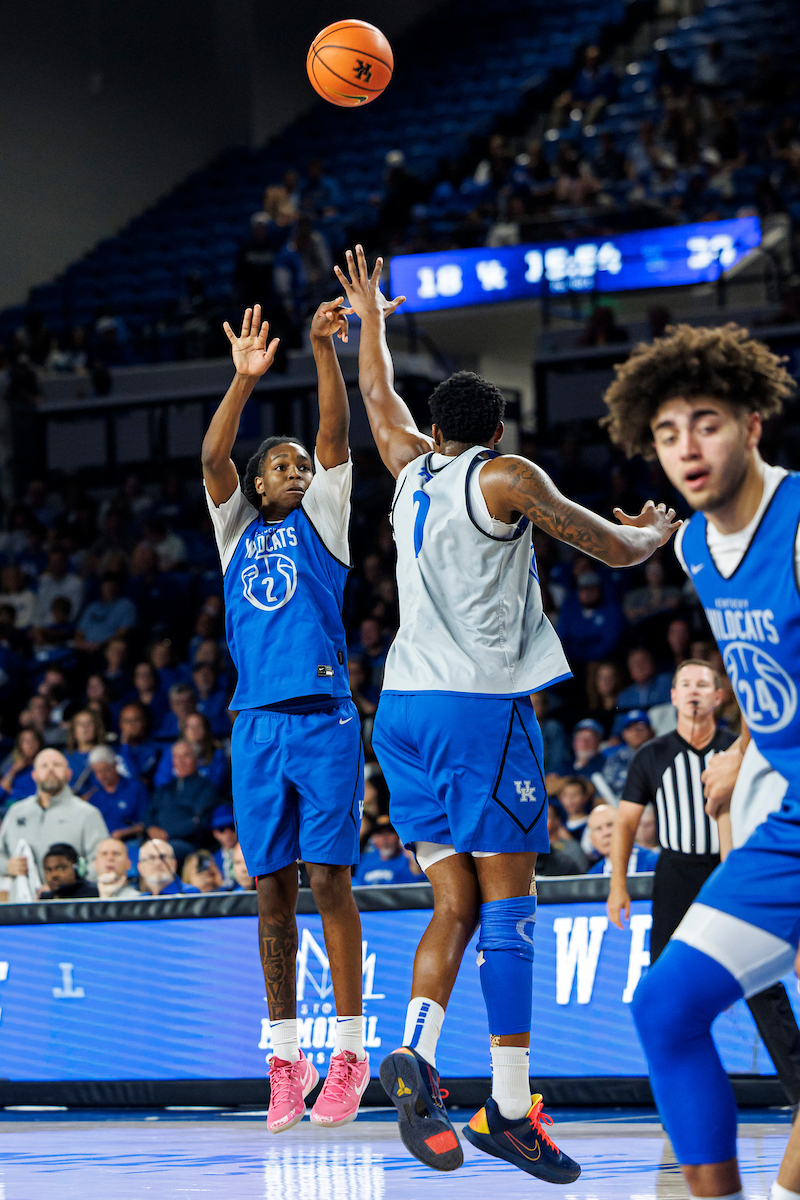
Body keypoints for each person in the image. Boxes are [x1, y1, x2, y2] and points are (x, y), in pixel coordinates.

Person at [335, 243, 678, 1179]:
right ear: (494, 429)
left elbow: (376, 399)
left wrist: (370, 323)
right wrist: (653, 532)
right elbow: (606, 547)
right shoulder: (505, 476)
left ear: (434, 429)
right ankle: (511, 1108)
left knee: (454, 901)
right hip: (478, 712)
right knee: (512, 909)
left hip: (399, 713)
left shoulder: (407, 468)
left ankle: (414, 1050)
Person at [603, 321, 800, 1197]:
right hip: (793, 820)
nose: (686, 447)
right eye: (667, 432)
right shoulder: (692, 547)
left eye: (707, 423)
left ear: (753, 425)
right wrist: (749, 744)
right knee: (665, 1009)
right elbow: (772, 666)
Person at [201, 297, 370, 1134]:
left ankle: (349, 1053)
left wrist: (321, 350)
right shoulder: (234, 529)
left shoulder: (325, 521)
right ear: (257, 483)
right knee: (272, 893)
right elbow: (212, 455)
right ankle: (284, 1059)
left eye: (303, 465)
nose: (297, 471)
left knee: (329, 883)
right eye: (282, 465)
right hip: (257, 726)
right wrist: (243, 380)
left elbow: (335, 432)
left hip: (325, 719)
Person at [0, 748, 108, 881]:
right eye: (44, 766)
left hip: (69, 894)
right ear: (34, 775)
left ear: (69, 774)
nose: (50, 769)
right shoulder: (16, 811)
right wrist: (7, 866)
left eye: (56, 765)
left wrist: (71, 882)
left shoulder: (88, 814)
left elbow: (101, 862)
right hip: (22, 893)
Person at [145, 741, 217, 865]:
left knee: (160, 853)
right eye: (176, 757)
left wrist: (167, 834)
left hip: (187, 842)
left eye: (186, 756)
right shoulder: (165, 788)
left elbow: (199, 821)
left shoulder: (206, 787)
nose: (180, 761)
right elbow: (148, 813)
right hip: (157, 840)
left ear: (196, 759)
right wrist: (151, 828)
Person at [82, 746, 147, 841]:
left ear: (115, 765)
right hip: (100, 842)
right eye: (97, 772)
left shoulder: (135, 788)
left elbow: (145, 824)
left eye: (105, 770)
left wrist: (124, 833)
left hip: (129, 841)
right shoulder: (92, 793)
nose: (102, 776)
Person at [74, 573, 137, 652]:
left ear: (118, 587)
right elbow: (80, 632)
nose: (109, 589)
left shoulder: (126, 605)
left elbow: (123, 632)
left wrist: (101, 646)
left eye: (112, 585)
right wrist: (80, 644)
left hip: (107, 649)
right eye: (106, 586)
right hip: (84, 649)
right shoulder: (92, 607)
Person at [587, 805, 658, 875]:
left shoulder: (654, 861)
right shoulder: (593, 875)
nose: (606, 833)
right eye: (598, 829)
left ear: (625, 828)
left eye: (610, 825)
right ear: (592, 840)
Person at [600, 709, 654, 799]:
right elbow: (603, 790)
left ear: (650, 731)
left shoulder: (659, 754)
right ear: (624, 734)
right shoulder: (616, 757)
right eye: (630, 729)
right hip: (618, 803)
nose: (635, 733)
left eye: (640, 728)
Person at [355, 816, 421, 886]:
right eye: (379, 834)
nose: (384, 838)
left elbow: (417, 882)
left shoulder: (407, 858)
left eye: (389, 833)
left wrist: (413, 860)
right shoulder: (365, 859)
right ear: (373, 838)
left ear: (398, 836)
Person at [0, 729, 44, 805]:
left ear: (39, 743)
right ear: (20, 745)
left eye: (34, 740)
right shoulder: (10, 764)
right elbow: (2, 791)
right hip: (11, 805)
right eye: (26, 741)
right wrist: (14, 770)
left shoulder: (45, 765)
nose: (31, 744)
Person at [211, 804, 238, 888]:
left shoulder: (249, 856)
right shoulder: (212, 860)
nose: (228, 834)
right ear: (215, 833)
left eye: (232, 827)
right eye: (221, 829)